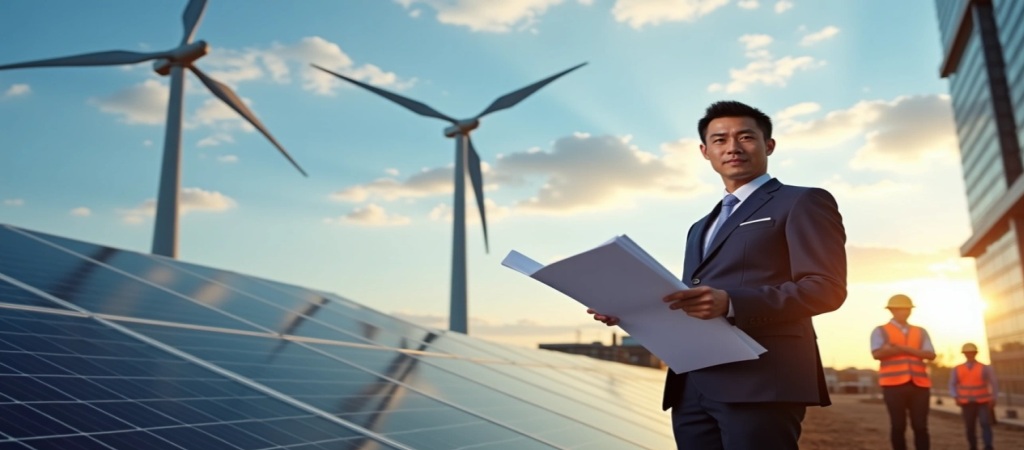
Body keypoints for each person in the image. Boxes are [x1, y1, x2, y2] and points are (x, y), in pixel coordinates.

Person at [588, 100, 847, 449]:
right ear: (705, 151)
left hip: (762, 380)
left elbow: (825, 288)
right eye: (720, 140)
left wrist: (732, 303)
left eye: (745, 137)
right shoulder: (699, 227)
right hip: (692, 384)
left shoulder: (802, 202)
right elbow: (689, 301)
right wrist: (631, 311)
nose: (733, 148)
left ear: (768, 145)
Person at [871, 294, 936, 450]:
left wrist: (899, 348)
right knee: (898, 426)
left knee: (921, 426)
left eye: (907, 309)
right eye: (901, 309)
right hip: (893, 386)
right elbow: (876, 354)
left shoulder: (920, 331)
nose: (905, 312)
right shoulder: (880, 331)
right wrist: (913, 351)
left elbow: (931, 355)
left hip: (919, 385)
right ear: (892, 310)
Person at [950, 342, 998, 450]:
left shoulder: (985, 368)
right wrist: (955, 396)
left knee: (985, 424)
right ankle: (973, 447)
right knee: (969, 427)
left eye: (971, 352)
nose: (969, 354)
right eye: (967, 353)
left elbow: (993, 382)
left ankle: (988, 446)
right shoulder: (957, 369)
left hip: (983, 401)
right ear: (964, 354)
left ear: (975, 353)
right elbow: (952, 384)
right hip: (966, 402)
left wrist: (993, 397)